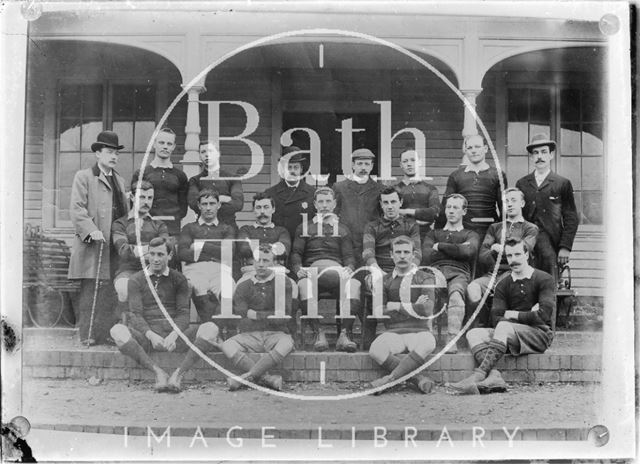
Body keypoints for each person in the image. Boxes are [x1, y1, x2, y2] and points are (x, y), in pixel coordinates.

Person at [109, 237, 220, 392]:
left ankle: (178, 374)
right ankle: (157, 372)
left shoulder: (179, 279)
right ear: (146, 255)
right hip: (147, 338)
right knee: (117, 331)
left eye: (160, 255)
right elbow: (136, 314)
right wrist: (151, 335)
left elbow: (183, 313)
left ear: (169, 256)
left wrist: (174, 335)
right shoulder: (136, 279)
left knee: (211, 329)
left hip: (174, 337)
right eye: (152, 254)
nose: (155, 259)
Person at [446, 238, 555, 395]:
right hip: (510, 333)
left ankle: (478, 375)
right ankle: (494, 375)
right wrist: (529, 314)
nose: (514, 260)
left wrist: (511, 314)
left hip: (539, 334)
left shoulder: (544, 279)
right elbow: (496, 318)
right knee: (474, 333)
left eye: (518, 254)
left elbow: (543, 316)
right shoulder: (503, 284)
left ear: (527, 254)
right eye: (510, 256)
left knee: (504, 326)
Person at [68, 130, 129, 344]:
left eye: (116, 153)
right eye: (109, 152)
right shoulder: (84, 177)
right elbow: (76, 210)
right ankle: (87, 334)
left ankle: (105, 333)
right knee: (90, 288)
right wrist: (91, 230)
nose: (114, 156)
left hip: (114, 244)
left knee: (110, 290)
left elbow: (124, 212)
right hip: (94, 244)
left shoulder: (119, 180)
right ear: (98, 154)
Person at [291, 187, 362, 352]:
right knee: (304, 286)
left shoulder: (343, 229)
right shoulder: (304, 227)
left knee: (354, 285)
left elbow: (349, 256)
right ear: (315, 204)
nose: (324, 205)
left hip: (336, 273)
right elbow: (296, 253)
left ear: (334, 204)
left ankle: (344, 335)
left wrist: (350, 268)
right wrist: (298, 268)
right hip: (312, 272)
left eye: (328, 201)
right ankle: (318, 333)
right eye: (321, 202)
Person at [368, 236, 439, 394]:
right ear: (391, 255)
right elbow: (379, 312)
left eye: (406, 252)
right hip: (394, 332)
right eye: (398, 252)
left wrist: (396, 306)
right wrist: (414, 307)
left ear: (413, 255)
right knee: (375, 349)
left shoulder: (425, 277)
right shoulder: (384, 281)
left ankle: (389, 381)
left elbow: (427, 309)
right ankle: (417, 378)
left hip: (419, 331)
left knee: (428, 343)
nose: (402, 256)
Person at [221, 244, 295, 391]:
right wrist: (270, 315)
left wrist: (256, 315)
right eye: (258, 260)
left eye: (266, 261)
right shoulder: (243, 285)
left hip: (276, 334)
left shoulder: (283, 282)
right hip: (250, 335)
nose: (261, 264)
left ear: (274, 263)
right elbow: (241, 317)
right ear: (253, 262)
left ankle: (244, 378)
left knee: (287, 343)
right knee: (227, 345)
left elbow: (284, 316)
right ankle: (267, 378)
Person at [466, 188, 538, 327]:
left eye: (513, 200)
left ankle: (498, 327)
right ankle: (485, 322)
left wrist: (498, 248)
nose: (509, 204)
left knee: (502, 291)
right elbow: (483, 256)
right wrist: (494, 251)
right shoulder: (495, 227)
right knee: (473, 289)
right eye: (506, 201)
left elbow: (522, 252)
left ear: (522, 203)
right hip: (492, 274)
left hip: (515, 275)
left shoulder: (530, 228)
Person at [362, 186, 421, 348]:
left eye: (393, 201)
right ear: (381, 204)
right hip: (380, 269)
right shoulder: (372, 226)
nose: (390, 206)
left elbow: (417, 253)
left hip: (405, 269)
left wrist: (411, 271)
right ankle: (376, 330)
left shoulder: (411, 225)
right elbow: (368, 252)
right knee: (377, 282)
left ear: (400, 202)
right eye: (386, 202)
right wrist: (375, 269)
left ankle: (411, 332)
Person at [515, 134, 579, 282]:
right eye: (536, 153)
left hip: (551, 244)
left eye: (544, 152)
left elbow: (571, 217)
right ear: (531, 157)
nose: (540, 157)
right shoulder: (522, 184)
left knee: (549, 286)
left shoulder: (562, 183)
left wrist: (565, 247)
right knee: (525, 283)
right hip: (526, 244)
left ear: (551, 155)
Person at [422, 194, 480, 353]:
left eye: (456, 207)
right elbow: (427, 255)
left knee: (456, 296)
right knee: (426, 293)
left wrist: (439, 246)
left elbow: (468, 252)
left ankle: (451, 339)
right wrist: (456, 250)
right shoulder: (433, 233)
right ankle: (427, 338)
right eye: (448, 207)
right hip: (434, 272)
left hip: (458, 274)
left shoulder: (470, 234)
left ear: (464, 211)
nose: (451, 211)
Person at [111, 180, 169, 320]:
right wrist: (152, 249)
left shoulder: (159, 225)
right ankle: (123, 323)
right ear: (132, 197)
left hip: (154, 271)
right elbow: (124, 251)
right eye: (142, 197)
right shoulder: (120, 224)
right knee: (123, 287)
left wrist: (137, 250)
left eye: (150, 198)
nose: (146, 202)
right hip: (127, 271)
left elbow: (166, 249)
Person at [178, 189, 236, 323]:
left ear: (219, 205)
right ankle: (210, 327)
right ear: (198, 206)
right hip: (195, 269)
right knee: (198, 286)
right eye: (204, 204)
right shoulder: (189, 228)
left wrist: (201, 246)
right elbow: (183, 253)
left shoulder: (226, 229)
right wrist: (215, 252)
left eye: (212, 203)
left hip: (219, 269)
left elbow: (228, 253)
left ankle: (220, 329)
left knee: (229, 288)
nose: (208, 208)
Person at [436, 134, 507, 241]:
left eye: (477, 147)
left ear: (486, 149)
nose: (473, 151)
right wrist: (438, 233)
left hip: (490, 230)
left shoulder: (497, 175)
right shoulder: (456, 176)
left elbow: (503, 207)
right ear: (465, 151)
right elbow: (445, 207)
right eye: (469, 148)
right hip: (464, 231)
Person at [132, 127, 188, 236]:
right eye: (161, 143)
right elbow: (134, 205)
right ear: (154, 144)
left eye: (169, 144)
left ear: (174, 147)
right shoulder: (141, 173)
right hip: (147, 229)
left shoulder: (180, 175)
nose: (165, 146)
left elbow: (183, 208)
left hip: (172, 230)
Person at [332, 148, 384, 265]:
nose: (363, 167)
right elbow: (333, 214)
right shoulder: (340, 187)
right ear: (353, 165)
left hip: (371, 243)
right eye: (360, 164)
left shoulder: (380, 189)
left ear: (371, 166)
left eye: (367, 164)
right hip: (346, 242)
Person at [263, 146, 316, 242]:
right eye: (289, 167)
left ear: (301, 169)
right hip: (279, 244)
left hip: (304, 245)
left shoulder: (312, 193)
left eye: (296, 167)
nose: (292, 171)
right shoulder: (270, 193)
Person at [187, 140, 244, 227]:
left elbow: (238, 204)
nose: (207, 154)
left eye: (210, 151)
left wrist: (206, 203)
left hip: (229, 227)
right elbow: (194, 204)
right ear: (200, 156)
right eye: (203, 152)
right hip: (203, 229)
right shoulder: (195, 180)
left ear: (218, 153)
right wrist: (224, 199)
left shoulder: (233, 178)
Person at [237, 192, 291, 273]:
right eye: (258, 207)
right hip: (252, 272)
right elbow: (244, 250)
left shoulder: (281, 231)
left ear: (273, 209)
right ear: (253, 210)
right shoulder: (245, 230)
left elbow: (283, 251)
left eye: (266, 207)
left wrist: (254, 246)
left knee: (290, 285)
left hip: (276, 273)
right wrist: (273, 247)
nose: (262, 211)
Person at [394, 149, 440, 239]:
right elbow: (391, 214)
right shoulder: (395, 190)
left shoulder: (430, 189)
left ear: (420, 162)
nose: (409, 164)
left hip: (425, 236)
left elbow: (435, 212)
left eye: (413, 160)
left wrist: (405, 211)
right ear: (401, 165)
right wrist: (420, 218)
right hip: (401, 236)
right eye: (405, 161)